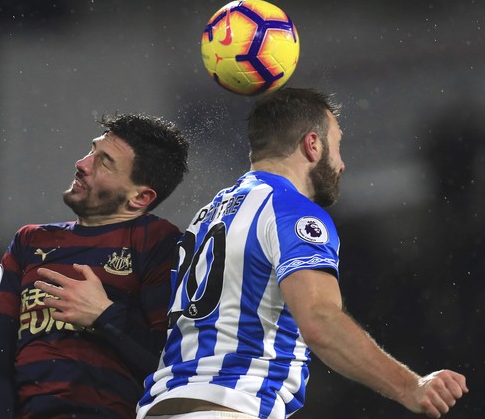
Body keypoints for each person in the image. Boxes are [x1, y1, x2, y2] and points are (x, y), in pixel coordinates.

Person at [135, 87, 468, 419]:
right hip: (231, 406)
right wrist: (413, 386)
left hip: (164, 405)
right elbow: (321, 321)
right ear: (312, 145)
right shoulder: (290, 210)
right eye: (337, 146)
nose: (341, 163)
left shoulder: (207, 216)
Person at [0, 113, 189, 419]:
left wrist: (105, 315)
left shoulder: (156, 242)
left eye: (104, 162)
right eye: (92, 150)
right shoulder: (29, 242)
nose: (82, 163)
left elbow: (171, 362)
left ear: (140, 197)